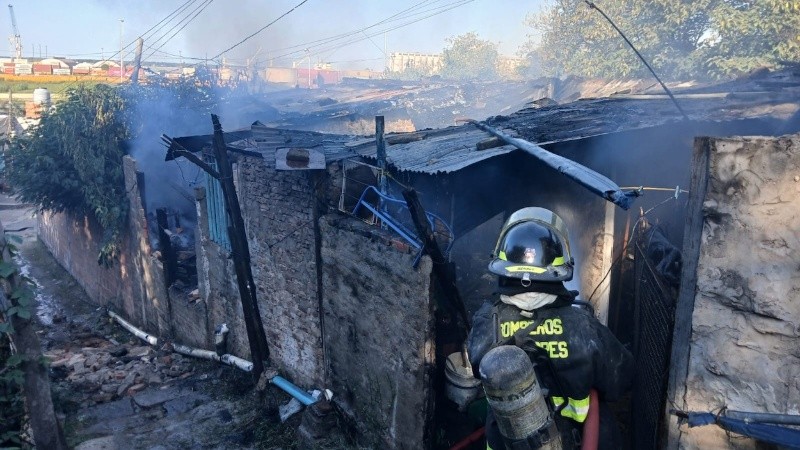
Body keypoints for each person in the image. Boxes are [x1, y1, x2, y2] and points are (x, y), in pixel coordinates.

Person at [467, 207, 633, 450]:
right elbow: (621, 379)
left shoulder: (486, 323)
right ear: (560, 269)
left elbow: (477, 370)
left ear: (503, 268)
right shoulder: (584, 327)